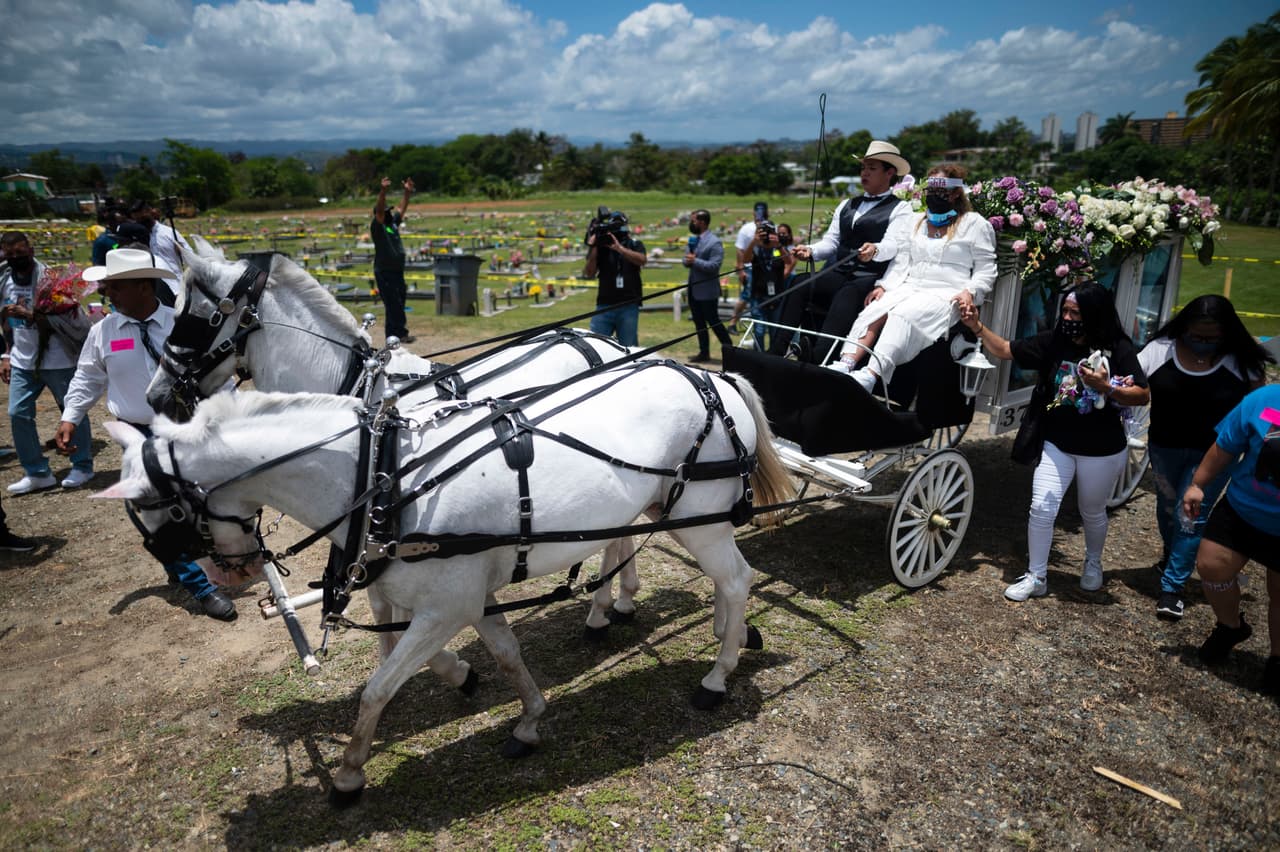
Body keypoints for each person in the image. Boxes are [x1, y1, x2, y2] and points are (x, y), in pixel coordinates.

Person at [56, 248, 237, 621]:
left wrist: (230, 415)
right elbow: (88, 378)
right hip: (135, 433)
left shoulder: (180, 324)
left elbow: (215, 374)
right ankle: (201, 586)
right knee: (159, 505)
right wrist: (70, 417)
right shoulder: (102, 332)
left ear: (142, 285)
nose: (108, 293)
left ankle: (178, 561)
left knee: (195, 503)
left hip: (185, 426)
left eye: (115, 286)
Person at [960, 282, 1150, 600]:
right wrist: (976, 326)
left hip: (1101, 449)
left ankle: (1093, 562)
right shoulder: (1056, 341)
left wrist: (1108, 389)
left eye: (1075, 312)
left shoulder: (1118, 347)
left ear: (1094, 315)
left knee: (1091, 510)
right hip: (1057, 442)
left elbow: (1142, 394)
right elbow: (1006, 349)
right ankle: (1037, 576)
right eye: (1065, 310)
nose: (1067, 317)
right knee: (1042, 507)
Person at [1138, 296, 1272, 621]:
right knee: (1168, 509)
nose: (1203, 343)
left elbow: (1261, 410)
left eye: (1211, 338)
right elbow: (1129, 381)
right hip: (1164, 447)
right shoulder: (1159, 350)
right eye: (1197, 336)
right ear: (1184, 328)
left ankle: (1172, 587)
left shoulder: (1243, 362)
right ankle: (1174, 557)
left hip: (1215, 455)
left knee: (1191, 517)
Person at [830, 166, 997, 393]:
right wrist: (884, 286)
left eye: (941, 190)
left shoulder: (975, 224)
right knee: (876, 309)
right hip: (910, 285)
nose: (934, 195)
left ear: (956, 192)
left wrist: (971, 291)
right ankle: (846, 362)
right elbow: (902, 260)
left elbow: (986, 269)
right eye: (930, 189)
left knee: (903, 314)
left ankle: (870, 374)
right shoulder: (916, 220)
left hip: (948, 292)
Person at [771, 141, 913, 359]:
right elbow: (831, 242)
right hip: (839, 272)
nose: (864, 173)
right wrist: (810, 250)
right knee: (800, 282)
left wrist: (875, 249)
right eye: (863, 168)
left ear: (890, 173)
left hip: (868, 277)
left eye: (872, 168)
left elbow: (894, 244)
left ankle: (818, 357)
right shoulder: (847, 204)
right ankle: (777, 350)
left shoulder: (901, 208)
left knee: (846, 296)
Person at [1183, 384, 1280, 695]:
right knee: (1211, 566)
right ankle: (1230, 627)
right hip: (1242, 511)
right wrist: (1198, 484)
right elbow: (1225, 445)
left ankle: (1277, 660)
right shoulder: (1265, 400)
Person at [1, 231, 94, 494]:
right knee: (17, 413)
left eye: (20, 253)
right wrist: (6, 354)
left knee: (72, 411)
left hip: (58, 360)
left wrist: (31, 315)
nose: (16, 259)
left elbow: (66, 319)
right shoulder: (4, 278)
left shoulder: (50, 279)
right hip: (23, 360)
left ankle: (82, 466)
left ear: (30, 250)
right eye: (10, 255)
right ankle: (37, 472)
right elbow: (4, 320)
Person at [583, 209, 646, 348]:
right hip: (604, 305)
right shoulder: (602, 247)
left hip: (629, 304)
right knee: (597, 346)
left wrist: (619, 249)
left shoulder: (635, 244)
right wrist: (594, 247)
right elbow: (589, 273)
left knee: (628, 348)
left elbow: (642, 260)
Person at [729, 221, 795, 351]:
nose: (765, 235)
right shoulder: (756, 247)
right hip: (758, 295)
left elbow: (789, 261)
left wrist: (778, 245)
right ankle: (759, 355)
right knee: (758, 330)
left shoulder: (778, 247)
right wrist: (754, 242)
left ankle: (772, 357)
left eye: (768, 232)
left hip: (776, 296)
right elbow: (746, 260)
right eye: (762, 232)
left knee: (774, 330)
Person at [371, 177, 416, 345]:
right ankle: (394, 336)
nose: (390, 213)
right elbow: (381, 210)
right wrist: (383, 191)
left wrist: (407, 192)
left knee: (399, 301)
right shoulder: (378, 227)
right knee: (392, 303)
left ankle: (399, 333)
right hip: (384, 271)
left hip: (397, 270)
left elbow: (402, 209)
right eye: (386, 212)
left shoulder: (392, 225)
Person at [683, 209, 728, 362]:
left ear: (702, 222)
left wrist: (695, 261)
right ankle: (704, 353)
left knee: (714, 322)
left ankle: (730, 350)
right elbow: (686, 260)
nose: (691, 223)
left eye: (693, 220)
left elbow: (715, 266)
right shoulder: (693, 240)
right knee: (699, 323)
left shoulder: (714, 242)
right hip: (693, 289)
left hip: (707, 291)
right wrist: (688, 260)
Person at [130, 199, 191, 286]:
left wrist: (182, 251)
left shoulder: (169, 232)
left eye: (143, 218)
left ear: (149, 212)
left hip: (176, 284)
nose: (140, 222)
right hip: (154, 288)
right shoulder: (137, 237)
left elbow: (190, 255)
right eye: (137, 220)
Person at [734, 201, 770, 294]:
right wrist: (741, 271)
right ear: (753, 212)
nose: (759, 214)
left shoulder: (771, 227)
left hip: (768, 268)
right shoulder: (746, 228)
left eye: (762, 211)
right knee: (748, 295)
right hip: (749, 269)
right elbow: (740, 250)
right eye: (757, 211)